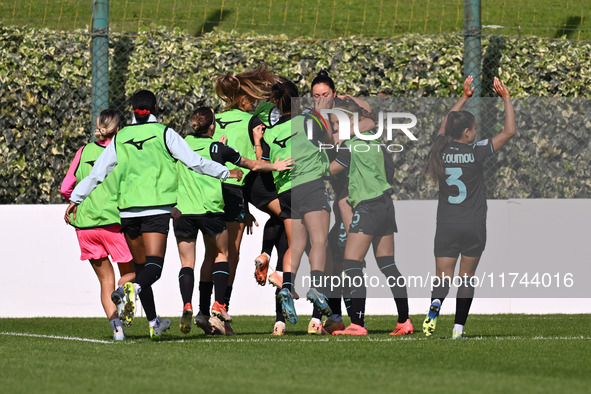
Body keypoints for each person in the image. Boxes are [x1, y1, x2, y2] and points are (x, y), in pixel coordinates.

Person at [65, 90, 231, 340]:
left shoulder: (121, 137)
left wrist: (75, 199)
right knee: (153, 268)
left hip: (128, 212)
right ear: (155, 107)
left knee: (141, 266)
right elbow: (194, 162)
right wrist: (224, 172)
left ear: (132, 109)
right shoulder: (165, 133)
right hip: (156, 209)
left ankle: (154, 323)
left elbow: (98, 173)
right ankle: (132, 288)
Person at [172, 107, 291, 335]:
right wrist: (275, 165)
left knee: (191, 262)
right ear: (213, 127)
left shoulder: (182, 143)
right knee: (224, 255)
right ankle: (219, 309)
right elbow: (253, 165)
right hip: (211, 210)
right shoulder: (218, 147)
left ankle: (196, 309)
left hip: (183, 211)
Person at [422, 76, 515, 339]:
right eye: (473, 129)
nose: (475, 132)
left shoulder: (440, 149)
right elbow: (509, 132)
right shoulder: (477, 151)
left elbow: (444, 126)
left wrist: (463, 97)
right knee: (466, 277)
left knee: (443, 277)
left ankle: (435, 305)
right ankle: (458, 328)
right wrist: (506, 98)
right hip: (474, 224)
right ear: (467, 133)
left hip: (447, 224)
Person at [255, 77, 335, 335]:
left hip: (286, 192)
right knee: (319, 242)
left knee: (295, 245)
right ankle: (317, 289)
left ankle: (286, 287)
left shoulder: (271, 131)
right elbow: (331, 145)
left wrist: (258, 141)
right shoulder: (310, 120)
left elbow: (263, 162)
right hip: (310, 185)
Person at [329, 98, 412, 336]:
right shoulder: (373, 138)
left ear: (349, 123)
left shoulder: (349, 146)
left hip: (367, 208)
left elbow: (329, 170)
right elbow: (368, 120)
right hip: (386, 205)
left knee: (352, 265)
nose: (334, 130)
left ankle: (357, 324)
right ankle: (404, 320)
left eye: (336, 124)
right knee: (388, 265)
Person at [210, 66, 279, 333]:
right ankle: (220, 309)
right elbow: (254, 165)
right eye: (252, 99)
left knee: (213, 255)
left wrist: (247, 209)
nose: (254, 104)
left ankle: (207, 311)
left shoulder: (214, 120)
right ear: (242, 99)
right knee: (232, 255)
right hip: (233, 191)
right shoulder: (250, 122)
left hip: (208, 190)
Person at [61, 109, 135, 341]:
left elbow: (66, 188)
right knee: (132, 274)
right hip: (114, 222)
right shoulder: (124, 151)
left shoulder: (83, 151)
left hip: (85, 225)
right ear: (118, 129)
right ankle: (121, 294)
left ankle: (117, 329)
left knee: (105, 281)